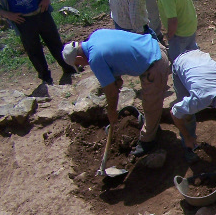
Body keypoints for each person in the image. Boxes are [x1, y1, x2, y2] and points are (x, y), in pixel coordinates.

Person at [62, 29, 169, 157]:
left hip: (154, 62)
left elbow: (111, 92)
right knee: (149, 104)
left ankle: (148, 141)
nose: (82, 66)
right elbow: (114, 56)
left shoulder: (95, 58)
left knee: (151, 105)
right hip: (152, 46)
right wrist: (116, 80)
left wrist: (111, 111)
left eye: (79, 64)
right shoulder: (96, 35)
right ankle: (152, 125)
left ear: (79, 57)